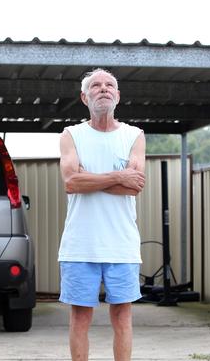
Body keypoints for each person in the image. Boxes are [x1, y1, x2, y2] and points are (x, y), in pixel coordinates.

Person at [58, 68, 146, 361]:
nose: (103, 89)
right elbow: (71, 183)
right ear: (84, 97)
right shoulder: (71, 135)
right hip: (80, 245)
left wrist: (90, 180)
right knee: (80, 319)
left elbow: (134, 188)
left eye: (109, 85)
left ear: (118, 96)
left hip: (122, 246)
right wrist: (118, 177)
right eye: (95, 86)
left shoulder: (134, 135)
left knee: (122, 318)